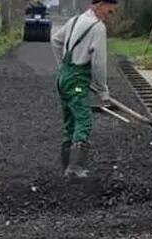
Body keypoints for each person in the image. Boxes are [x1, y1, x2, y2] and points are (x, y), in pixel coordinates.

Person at [51, 0, 118, 178]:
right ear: (100, 5)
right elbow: (98, 63)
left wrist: (64, 66)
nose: (110, 15)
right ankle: (75, 168)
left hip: (63, 78)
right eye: (110, 11)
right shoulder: (97, 27)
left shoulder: (75, 20)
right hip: (77, 80)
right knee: (84, 120)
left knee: (70, 122)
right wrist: (103, 91)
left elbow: (55, 40)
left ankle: (67, 166)